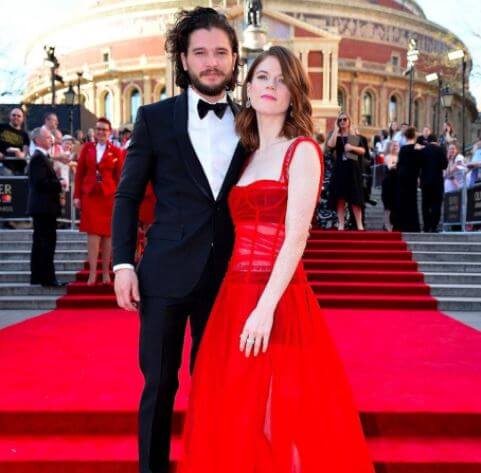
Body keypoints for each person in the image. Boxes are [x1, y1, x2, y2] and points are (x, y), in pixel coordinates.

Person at [179, 45, 374, 473]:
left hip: (278, 299)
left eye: (282, 80)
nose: (271, 86)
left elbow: (296, 237)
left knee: (279, 419)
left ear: (293, 94)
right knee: (237, 416)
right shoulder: (246, 156)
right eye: (263, 77)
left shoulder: (301, 150)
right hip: (233, 299)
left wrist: (265, 309)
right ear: (247, 88)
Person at [112, 8, 246, 473]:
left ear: (234, 59)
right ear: (184, 60)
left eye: (221, 53)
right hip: (165, 272)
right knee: (159, 385)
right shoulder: (154, 118)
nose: (212, 62)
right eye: (201, 53)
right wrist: (123, 264)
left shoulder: (252, 122)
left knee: (218, 385)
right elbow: (128, 195)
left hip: (228, 277)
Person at [74, 118, 123, 285]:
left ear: (109, 132)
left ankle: (106, 273)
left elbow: (120, 177)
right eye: (98, 129)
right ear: (95, 131)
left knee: (108, 235)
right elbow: (79, 173)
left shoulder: (116, 151)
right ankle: (93, 273)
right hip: (90, 195)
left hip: (108, 196)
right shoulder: (87, 148)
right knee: (93, 234)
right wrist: (76, 196)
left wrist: (120, 197)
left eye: (104, 130)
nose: (101, 132)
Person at [27, 127, 65, 287]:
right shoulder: (38, 158)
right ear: (38, 140)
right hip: (44, 207)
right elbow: (40, 183)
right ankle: (48, 278)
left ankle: (37, 276)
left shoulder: (41, 157)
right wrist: (59, 183)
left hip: (43, 207)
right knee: (47, 242)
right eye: (48, 137)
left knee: (40, 242)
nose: (52, 140)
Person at [326, 112, 365, 230]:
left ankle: (359, 225)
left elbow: (363, 151)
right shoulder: (336, 135)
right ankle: (341, 224)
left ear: (349, 121)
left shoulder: (353, 135)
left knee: (355, 198)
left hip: (352, 168)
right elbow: (330, 145)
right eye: (340, 120)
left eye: (344, 119)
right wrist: (335, 130)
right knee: (340, 198)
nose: (342, 122)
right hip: (340, 168)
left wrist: (352, 147)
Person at [420, 135, 448, 233]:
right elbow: (445, 165)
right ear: (436, 141)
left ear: (428, 141)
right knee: (436, 204)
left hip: (425, 182)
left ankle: (426, 227)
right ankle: (434, 226)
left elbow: (419, 164)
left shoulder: (423, 150)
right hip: (437, 182)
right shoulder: (440, 150)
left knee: (425, 205)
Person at [396, 126, 421, 232]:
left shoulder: (402, 149)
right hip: (412, 177)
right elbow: (419, 164)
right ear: (414, 136)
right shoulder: (417, 148)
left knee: (403, 201)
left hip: (402, 177)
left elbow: (399, 164)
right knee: (412, 201)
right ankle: (413, 226)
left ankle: (402, 225)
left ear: (406, 136)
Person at [0, 108, 30, 175]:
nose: (16, 117)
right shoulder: (1, 127)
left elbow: (24, 153)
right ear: (10, 116)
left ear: (22, 119)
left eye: (19, 116)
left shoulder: (25, 135)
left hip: (19, 168)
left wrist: (19, 153)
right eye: (13, 115)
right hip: (4, 165)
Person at [381, 140, 400, 231]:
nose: (395, 147)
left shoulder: (399, 156)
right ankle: (386, 224)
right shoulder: (388, 156)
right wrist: (399, 164)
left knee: (395, 205)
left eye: (397, 145)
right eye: (394, 145)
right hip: (388, 183)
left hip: (397, 183)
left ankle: (393, 223)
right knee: (387, 205)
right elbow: (390, 166)